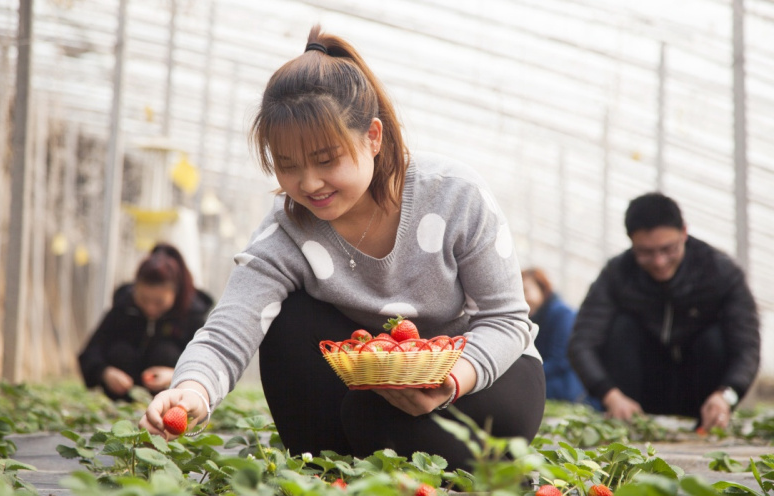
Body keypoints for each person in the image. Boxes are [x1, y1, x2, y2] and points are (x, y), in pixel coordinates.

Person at [139, 25, 545, 472]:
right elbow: (230, 325)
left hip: (475, 379)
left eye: (327, 160)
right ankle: (335, 462)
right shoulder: (288, 228)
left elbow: (506, 320)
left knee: (373, 416)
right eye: (288, 166)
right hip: (366, 390)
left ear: (373, 137)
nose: (308, 184)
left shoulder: (453, 196)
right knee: (294, 322)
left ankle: (379, 451)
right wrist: (192, 388)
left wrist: (449, 381)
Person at [567, 192, 760, 431]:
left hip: (700, 395)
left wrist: (726, 395)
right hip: (640, 395)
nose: (659, 261)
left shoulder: (719, 271)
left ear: (684, 232)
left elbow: (747, 347)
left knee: (715, 338)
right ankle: (627, 424)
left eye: (668, 249)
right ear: (631, 241)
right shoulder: (617, 274)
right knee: (621, 327)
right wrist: (610, 395)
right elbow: (582, 343)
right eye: (646, 252)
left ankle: (708, 422)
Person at [78, 243, 214, 401]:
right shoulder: (123, 308)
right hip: (122, 401)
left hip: (170, 404)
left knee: (167, 353)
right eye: (143, 299)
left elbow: (206, 362)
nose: (150, 308)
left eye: (159, 302)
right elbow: (91, 352)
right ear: (135, 287)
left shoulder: (192, 315)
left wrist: (175, 375)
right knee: (120, 351)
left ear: (175, 293)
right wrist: (105, 372)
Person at [521, 268, 586, 403]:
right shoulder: (532, 317)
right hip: (545, 380)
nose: (523, 298)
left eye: (526, 291)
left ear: (542, 288)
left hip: (563, 388)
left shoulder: (562, 314)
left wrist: (526, 375)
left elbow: (559, 360)